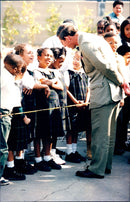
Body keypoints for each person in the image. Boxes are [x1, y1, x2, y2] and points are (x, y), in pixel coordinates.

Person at [56, 22, 130, 178]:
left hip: (104, 91)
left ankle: (97, 169)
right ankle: (105, 166)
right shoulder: (93, 38)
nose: (64, 46)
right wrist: (121, 83)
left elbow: (105, 66)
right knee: (108, 133)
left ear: (68, 38)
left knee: (100, 133)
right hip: (111, 91)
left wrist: (121, 83)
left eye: (62, 42)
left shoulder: (86, 43)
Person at [33, 48, 62, 171]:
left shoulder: (53, 71)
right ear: (39, 57)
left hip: (54, 105)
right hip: (42, 105)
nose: (49, 58)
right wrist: (51, 82)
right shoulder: (35, 71)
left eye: (51, 56)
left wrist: (50, 83)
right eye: (46, 55)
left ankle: (47, 156)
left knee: (50, 132)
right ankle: (38, 159)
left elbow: (60, 86)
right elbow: (40, 82)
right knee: (40, 132)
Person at [0, 54, 27, 185]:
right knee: (2, 147)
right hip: (2, 113)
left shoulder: (8, 76)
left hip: (7, 112)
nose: (18, 71)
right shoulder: (4, 77)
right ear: (13, 67)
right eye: (18, 68)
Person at [65, 50, 91, 163]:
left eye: (79, 59)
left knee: (77, 128)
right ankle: (69, 152)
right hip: (72, 105)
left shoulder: (85, 74)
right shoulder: (68, 73)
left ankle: (74, 151)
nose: (76, 61)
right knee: (71, 129)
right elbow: (66, 89)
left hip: (83, 106)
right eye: (74, 59)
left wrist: (86, 102)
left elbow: (88, 90)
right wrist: (75, 102)